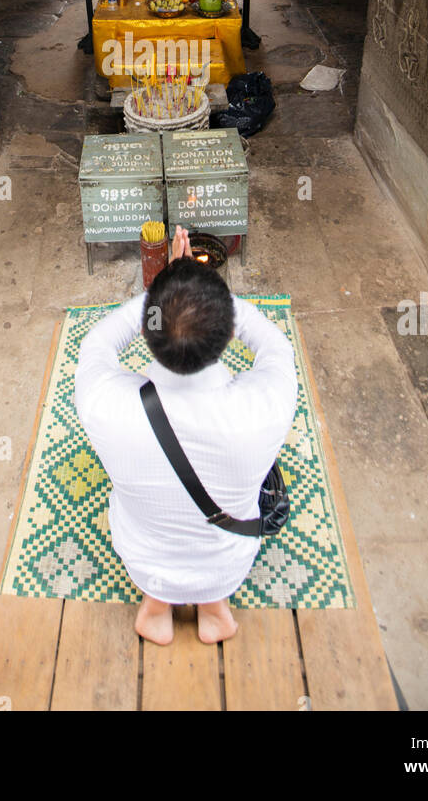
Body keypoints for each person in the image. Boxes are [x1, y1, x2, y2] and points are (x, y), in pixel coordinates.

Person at [74, 226, 297, 645]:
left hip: (142, 559)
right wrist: (207, 297)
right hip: (228, 563)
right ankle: (215, 613)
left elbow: (98, 341)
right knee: (213, 565)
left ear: (146, 332)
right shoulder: (264, 408)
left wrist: (167, 293)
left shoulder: (105, 405)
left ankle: (155, 610)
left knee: (155, 544)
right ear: (230, 334)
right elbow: (276, 347)